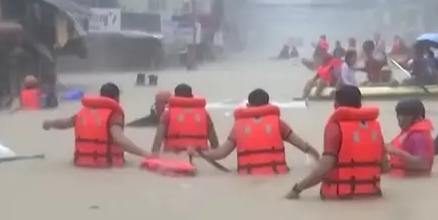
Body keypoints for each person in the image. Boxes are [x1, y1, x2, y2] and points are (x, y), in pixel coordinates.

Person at [286, 85, 387, 199]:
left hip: (340, 198)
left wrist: (297, 188)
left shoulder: (335, 127)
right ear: (360, 104)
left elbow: (325, 167)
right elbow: (385, 167)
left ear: (336, 105)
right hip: (372, 196)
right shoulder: (374, 126)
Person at [190, 88, 320, 174]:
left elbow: (221, 154)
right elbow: (303, 146)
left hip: (248, 175)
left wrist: (197, 153)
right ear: (268, 104)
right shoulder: (278, 124)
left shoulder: (238, 127)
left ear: (248, 105)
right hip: (276, 174)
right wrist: (318, 157)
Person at [41, 82, 150, 167]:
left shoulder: (84, 112)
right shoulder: (114, 114)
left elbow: (65, 123)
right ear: (117, 98)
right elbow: (119, 139)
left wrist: (50, 123)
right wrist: (144, 154)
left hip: (80, 165)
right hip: (106, 167)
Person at [150, 84, 219, 153]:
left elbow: (157, 141)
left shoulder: (167, 113)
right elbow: (214, 143)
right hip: (199, 153)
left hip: (174, 154)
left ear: (175, 96)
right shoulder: (204, 114)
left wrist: (153, 157)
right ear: (191, 96)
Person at [387, 99, 434, 177]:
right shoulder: (408, 133)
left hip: (416, 181)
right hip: (403, 178)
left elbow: (423, 164)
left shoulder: (418, 137)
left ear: (418, 117)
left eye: (405, 115)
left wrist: (396, 151)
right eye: (398, 114)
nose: (400, 118)